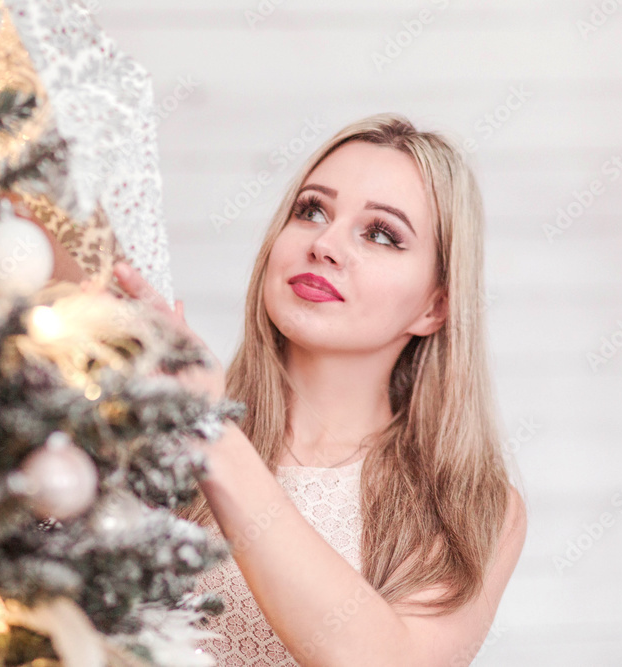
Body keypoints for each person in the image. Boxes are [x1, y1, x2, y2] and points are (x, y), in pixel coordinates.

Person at [113, 112, 527, 666]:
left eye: (381, 234)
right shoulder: (144, 436)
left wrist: (212, 433)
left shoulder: (475, 506)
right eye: (311, 211)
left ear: (435, 306)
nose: (326, 244)